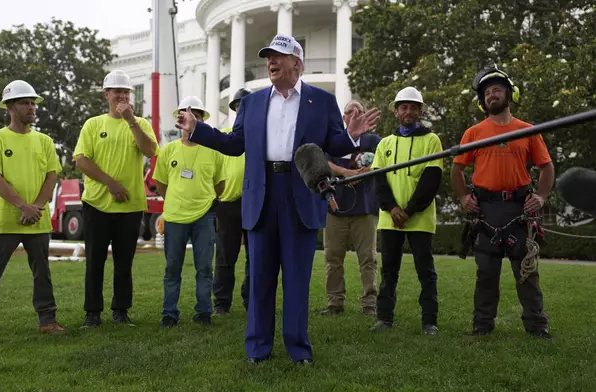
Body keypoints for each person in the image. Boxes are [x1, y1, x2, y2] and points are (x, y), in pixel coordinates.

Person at [176, 34, 380, 364]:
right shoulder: (253, 103)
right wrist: (197, 129)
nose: (271, 61)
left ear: (297, 64)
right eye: (268, 56)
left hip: (300, 190)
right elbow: (234, 144)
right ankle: (258, 349)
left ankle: (298, 350)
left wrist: (353, 135)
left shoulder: (321, 101)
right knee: (260, 279)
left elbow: (336, 144)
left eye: (278, 56)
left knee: (297, 278)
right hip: (262, 193)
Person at [451, 66, 555, 339]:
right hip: (486, 210)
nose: (491, 95)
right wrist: (463, 197)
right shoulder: (473, 133)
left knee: (526, 272)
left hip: (518, 209)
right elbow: (457, 168)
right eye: (487, 93)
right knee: (486, 272)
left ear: (510, 94)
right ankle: (482, 326)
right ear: (481, 101)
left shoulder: (528, 130)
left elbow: (546, 167)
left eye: (497, 90)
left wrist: (541, 196)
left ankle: (537, 326)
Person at [0, 80, 65, 341]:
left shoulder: (44, 141)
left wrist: (37, 208)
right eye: (25, 103)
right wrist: (23, 206)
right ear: (10, 107)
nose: (32, 107)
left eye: (33, 103)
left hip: (37, 220)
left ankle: (48, 321)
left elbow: (51, 176)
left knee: (42, 274)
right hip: (4, 220)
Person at [73, 69, 158, 328]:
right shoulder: (93, 124)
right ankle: (92, 314)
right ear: (106, 94)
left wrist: (131, 120)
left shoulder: (140, 124)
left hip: (130, 206)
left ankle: (120, 311)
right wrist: (111, 183)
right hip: (97, 203)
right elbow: (81, 160)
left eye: (126, 91)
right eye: (117, 91)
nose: (121, 95)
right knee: (95, 262)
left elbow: (151, 150)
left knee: (124, 263)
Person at [368, 87, 443, 336]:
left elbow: (430, 181)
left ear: (420, 111)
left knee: (426, 272)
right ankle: (384, 319)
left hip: (419, 219)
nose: (408, 111)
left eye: (413, 107)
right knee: (389, 271)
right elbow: (379, 181)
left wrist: (408, 211)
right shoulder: (384, 144)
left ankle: (429, 322)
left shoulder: (432, 140)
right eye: (403, 107)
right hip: (390, 220)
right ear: (396, 111)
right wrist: (392, 208)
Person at [153, 96, 226, 328]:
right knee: (172, 268)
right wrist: (176, 200)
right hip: (174, 217)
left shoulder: (213, 151)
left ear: (202, 120)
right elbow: (161, 184)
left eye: (197, 114)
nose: (191, 117)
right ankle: (169, 314)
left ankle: (203, 312)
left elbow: (220, 184)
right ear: (179, 118)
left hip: (204, 216)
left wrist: (203, 200)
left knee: (204, 267)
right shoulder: (168, 151)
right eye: (186, 113)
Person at [321, 100, 381, 317]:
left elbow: (383, 160)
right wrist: (347, 173)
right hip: (335, 209)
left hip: (365, 209)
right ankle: (334, 303)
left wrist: (367, 170)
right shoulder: (333, 142)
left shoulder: (374, 141)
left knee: (368, 258)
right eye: (349, 112)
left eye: (359, 111)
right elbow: (323, 162)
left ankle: (370, 305)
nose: (354, 114)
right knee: (333, 258)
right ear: (344, 117)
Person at [212, 88, 253, 316]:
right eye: (238, 106)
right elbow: (213, 172)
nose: (241, 108)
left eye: (245, 104)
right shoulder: (225, 135)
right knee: (225, 256)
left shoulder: (260, 136)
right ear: (235, 109)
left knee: (255, 257)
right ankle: (221, 303)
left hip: (255, 202)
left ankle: (252, 301)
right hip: (228, 204)